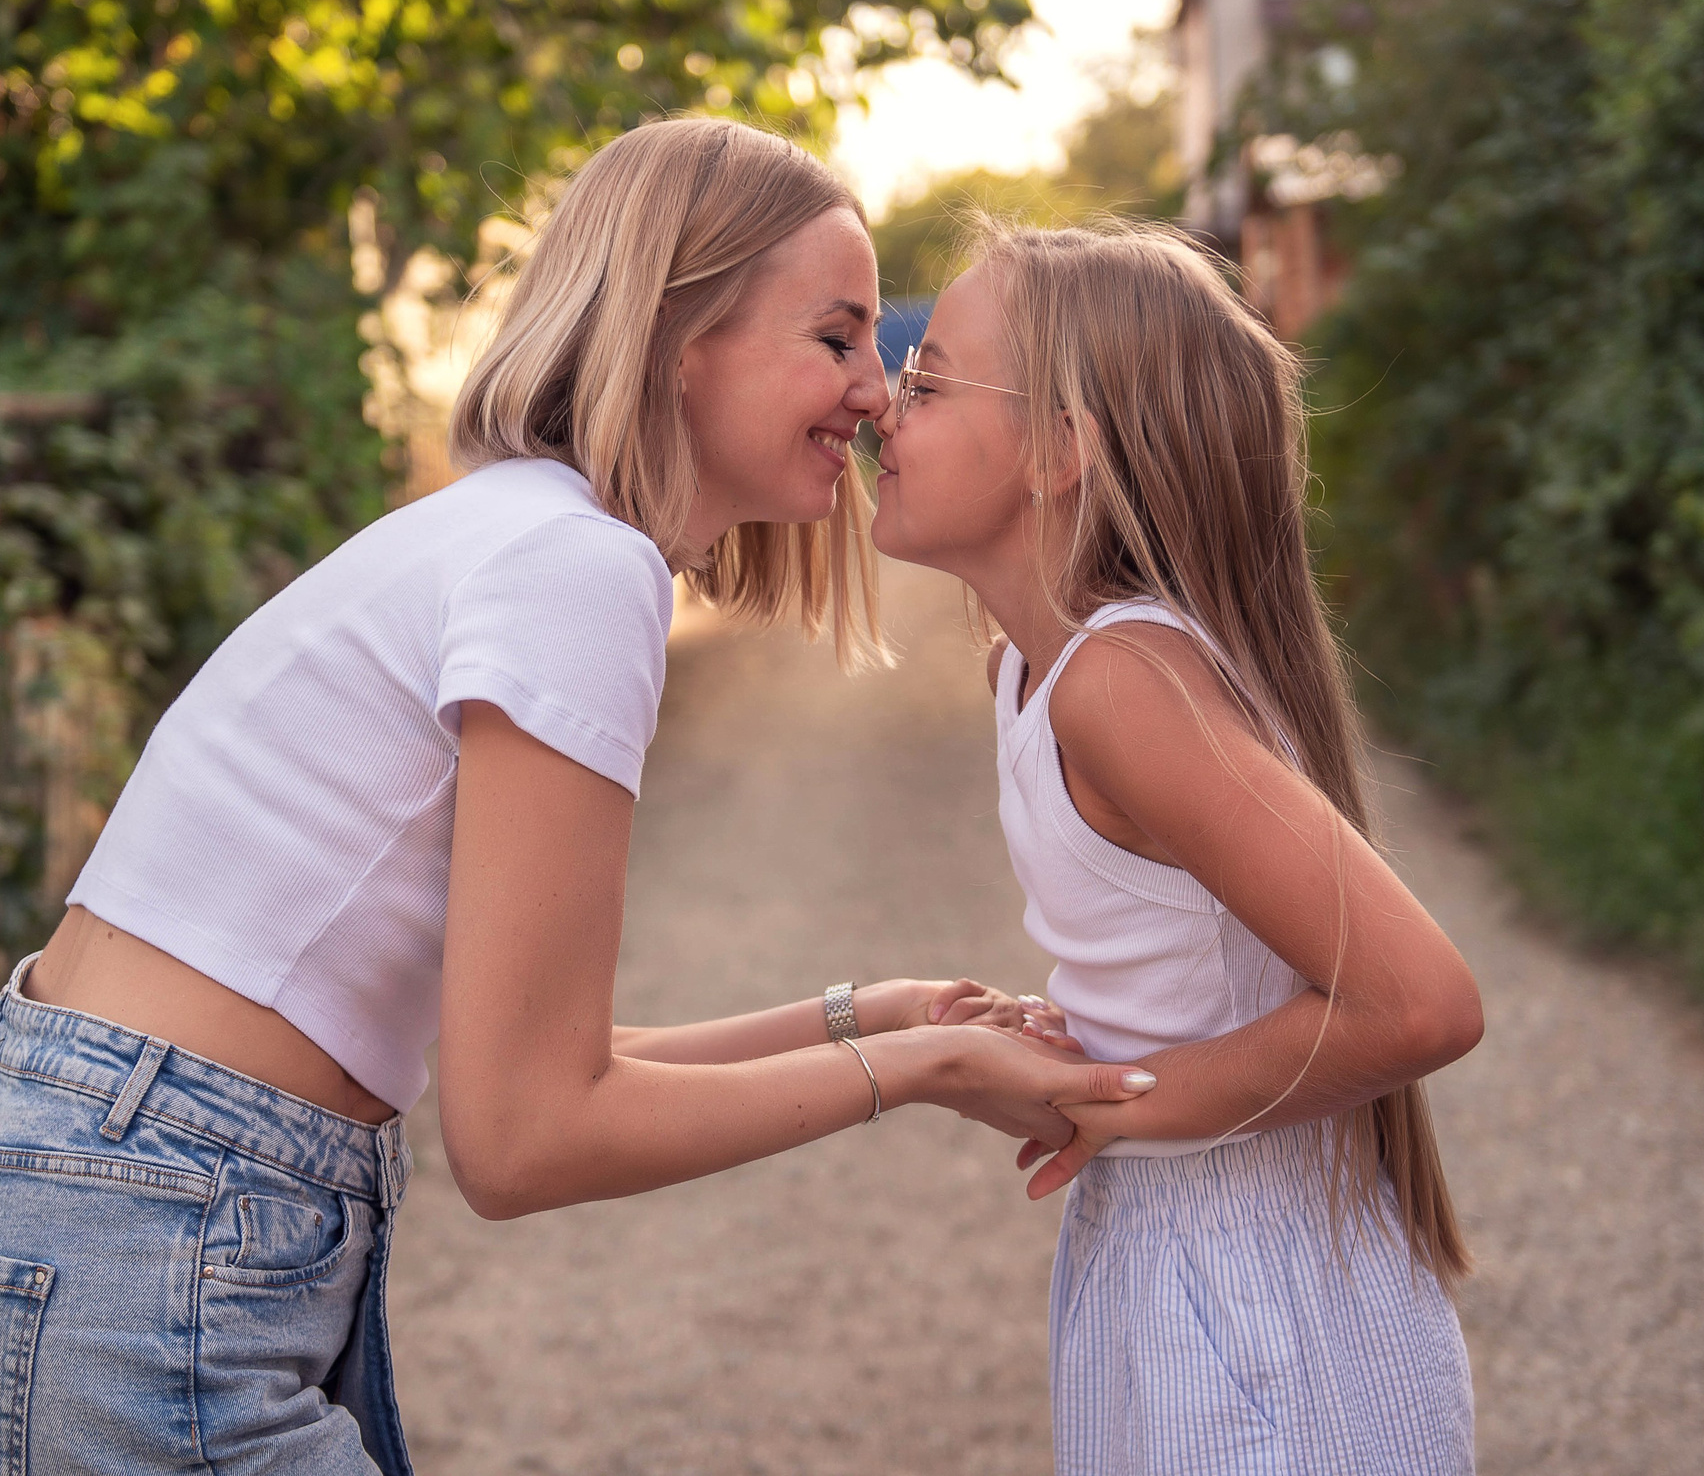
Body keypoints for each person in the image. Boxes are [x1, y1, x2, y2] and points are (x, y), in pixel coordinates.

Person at [0, 121, 1154, 1476]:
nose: (877, 395)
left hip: (110, 1175)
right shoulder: (575, 567)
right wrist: (931, 1066)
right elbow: (528, 1137)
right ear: (682, 337)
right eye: (837, 337)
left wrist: (862, 1014)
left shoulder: (512, 527)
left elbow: (537, 1058)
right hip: (161, 1213)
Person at [869, 218, 1484, 1475]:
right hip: (1166, 1247)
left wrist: (1106, 1104)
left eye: (927, 379)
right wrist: (1085, 1042)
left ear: (1058, 451)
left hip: (1257, 1298)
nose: (882, 400)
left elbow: (1421, 1003)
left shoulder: (1122, 683)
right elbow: (1196, 967)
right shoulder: (1035, 671)